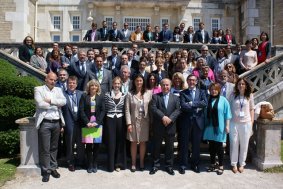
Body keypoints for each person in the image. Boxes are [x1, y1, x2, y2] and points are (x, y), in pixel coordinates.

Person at [34, 72, 66, 182]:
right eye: (51, 79)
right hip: (45, 122)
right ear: (46, 79)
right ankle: (46, 171)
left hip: (56, 122)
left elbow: (64, 102)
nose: (53, 81)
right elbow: (40, 104)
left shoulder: (58, 90)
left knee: (54, 147)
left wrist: (51, 101)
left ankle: (53, 168)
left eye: (55, 80)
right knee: (45, 148)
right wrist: (56, 104)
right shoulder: (38, 89)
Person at [149, 78, 181, 175]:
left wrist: (170, 119)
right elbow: (153, 108)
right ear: (160, 86)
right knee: (157, 147)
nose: (165, 87)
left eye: (167, 85)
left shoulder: (175, 98)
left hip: (170, 126)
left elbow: (178, 110)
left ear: (170, 86)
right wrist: (163, 117)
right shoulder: (155, 96)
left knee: (170, 148)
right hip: (159, 125)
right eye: (163, 85)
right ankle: (155, 165)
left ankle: (169, 166)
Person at [179, 74, 207, 174]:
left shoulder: (202, 92)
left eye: (193, 80)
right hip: (186, 121)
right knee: (184, 144)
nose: (191, 82)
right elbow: (183, 106)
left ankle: (195, 164)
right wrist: (196, 105)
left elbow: (204, 103)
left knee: (196, 145)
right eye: (190, 80)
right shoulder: (183, 93)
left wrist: (191, 103)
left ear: (196, 82)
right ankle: (183, 165)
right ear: (187, 81)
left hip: (198, 122)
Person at [203, 83, 232, 175]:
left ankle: (221, 165)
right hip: (209, 127)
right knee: (211, 147)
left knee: (219, 147)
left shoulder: (224, 100)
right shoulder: (208, 100)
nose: (213, 91)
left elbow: (227, 114)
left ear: (219, 90)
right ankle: (212, 164)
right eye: (211, 89)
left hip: (220, 127)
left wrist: (227, 126)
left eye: (215, 89)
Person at [125, 74, 152, 172]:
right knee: (133, 142)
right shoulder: (129, 94)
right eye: (137, 80)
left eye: (140, 80)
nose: (139, 82)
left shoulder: (148, 93)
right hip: (133, 121)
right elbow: (127, 110)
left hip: (144, 120)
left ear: (143, 81)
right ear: (134, 82)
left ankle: (141, 162)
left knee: (143, 142)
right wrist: (128, 123)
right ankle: (133, 163)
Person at [79, 79, 105, 173]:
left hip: (97, 124)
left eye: (95, 85)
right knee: (89, 145)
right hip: (87, 124)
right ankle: (89, 164)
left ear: (98, 87)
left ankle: (95, 163)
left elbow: (103, 110)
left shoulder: (100, 97)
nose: (93, 87)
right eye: (92, 85)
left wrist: (97, 122)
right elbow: (81, 110)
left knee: (97, 145)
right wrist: (87, 122)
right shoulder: (84, 96)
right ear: (89, 87)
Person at [229, 78, 254, 173]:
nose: (241, 85)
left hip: (246, 123)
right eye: (239, 84)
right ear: (237, 85)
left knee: (244, 144)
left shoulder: (250, 96)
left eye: (243, 84)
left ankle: (242, 163)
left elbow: (252, 109)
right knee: (234, 143)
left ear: (246, 85)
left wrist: (251, 122)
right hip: (233, 123)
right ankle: (234, 164)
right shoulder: (232, 95)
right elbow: (228, 107)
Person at [61, 76, 84, 172]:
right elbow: (60, 111)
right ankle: (70, 162)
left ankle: (80, 161)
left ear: (76, 84)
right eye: (70, 83)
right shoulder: (63, 95)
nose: (71, 84)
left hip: (80, 122)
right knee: (69, 143)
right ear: (67, 84)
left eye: (73, 83)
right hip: (68, 122)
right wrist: (61, 124)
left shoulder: (81, 94)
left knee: (80, 143)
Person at [104, 77, 127, 172]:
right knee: (111, 142)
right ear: (112, 84)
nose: (117, 85)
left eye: (118, 84)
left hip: (121, 120)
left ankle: (118, 164)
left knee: (120, 142)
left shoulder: (125, 95)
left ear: (121, 84)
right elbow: (104, 108)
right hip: (109, 120)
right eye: (115, 83)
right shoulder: (106, 95)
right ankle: (110, 164)